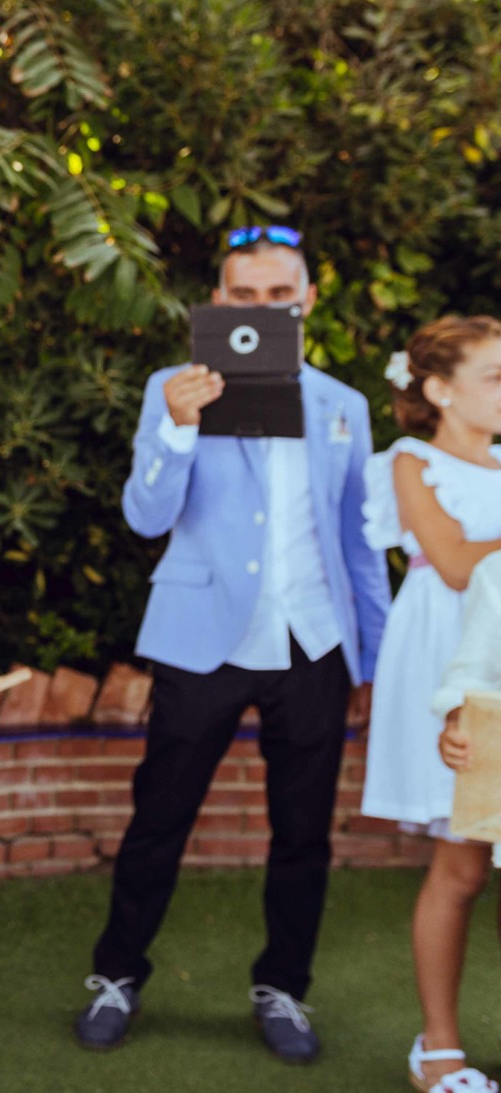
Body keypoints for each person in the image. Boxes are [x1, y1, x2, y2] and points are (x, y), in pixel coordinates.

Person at [75, 227, 392, 1064]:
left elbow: (361, 541)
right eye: (244, 295)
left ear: (307, 299)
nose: (263, 308)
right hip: (200, 639)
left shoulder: (343, 405)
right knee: (159, 818)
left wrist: (378, 654)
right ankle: (117, 974)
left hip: (313, 643)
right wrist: (179, 429)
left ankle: (282, 986)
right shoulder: (172, 389)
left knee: (304, 831)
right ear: (219, 301)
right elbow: (145, 516)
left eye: (279, 293)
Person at [360, 317, 501, 1093]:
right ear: (441, 389)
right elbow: (451, 562)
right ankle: (438, 1046)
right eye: (495, 375)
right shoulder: (412, 460)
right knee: (463, 859)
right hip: (451, 660)